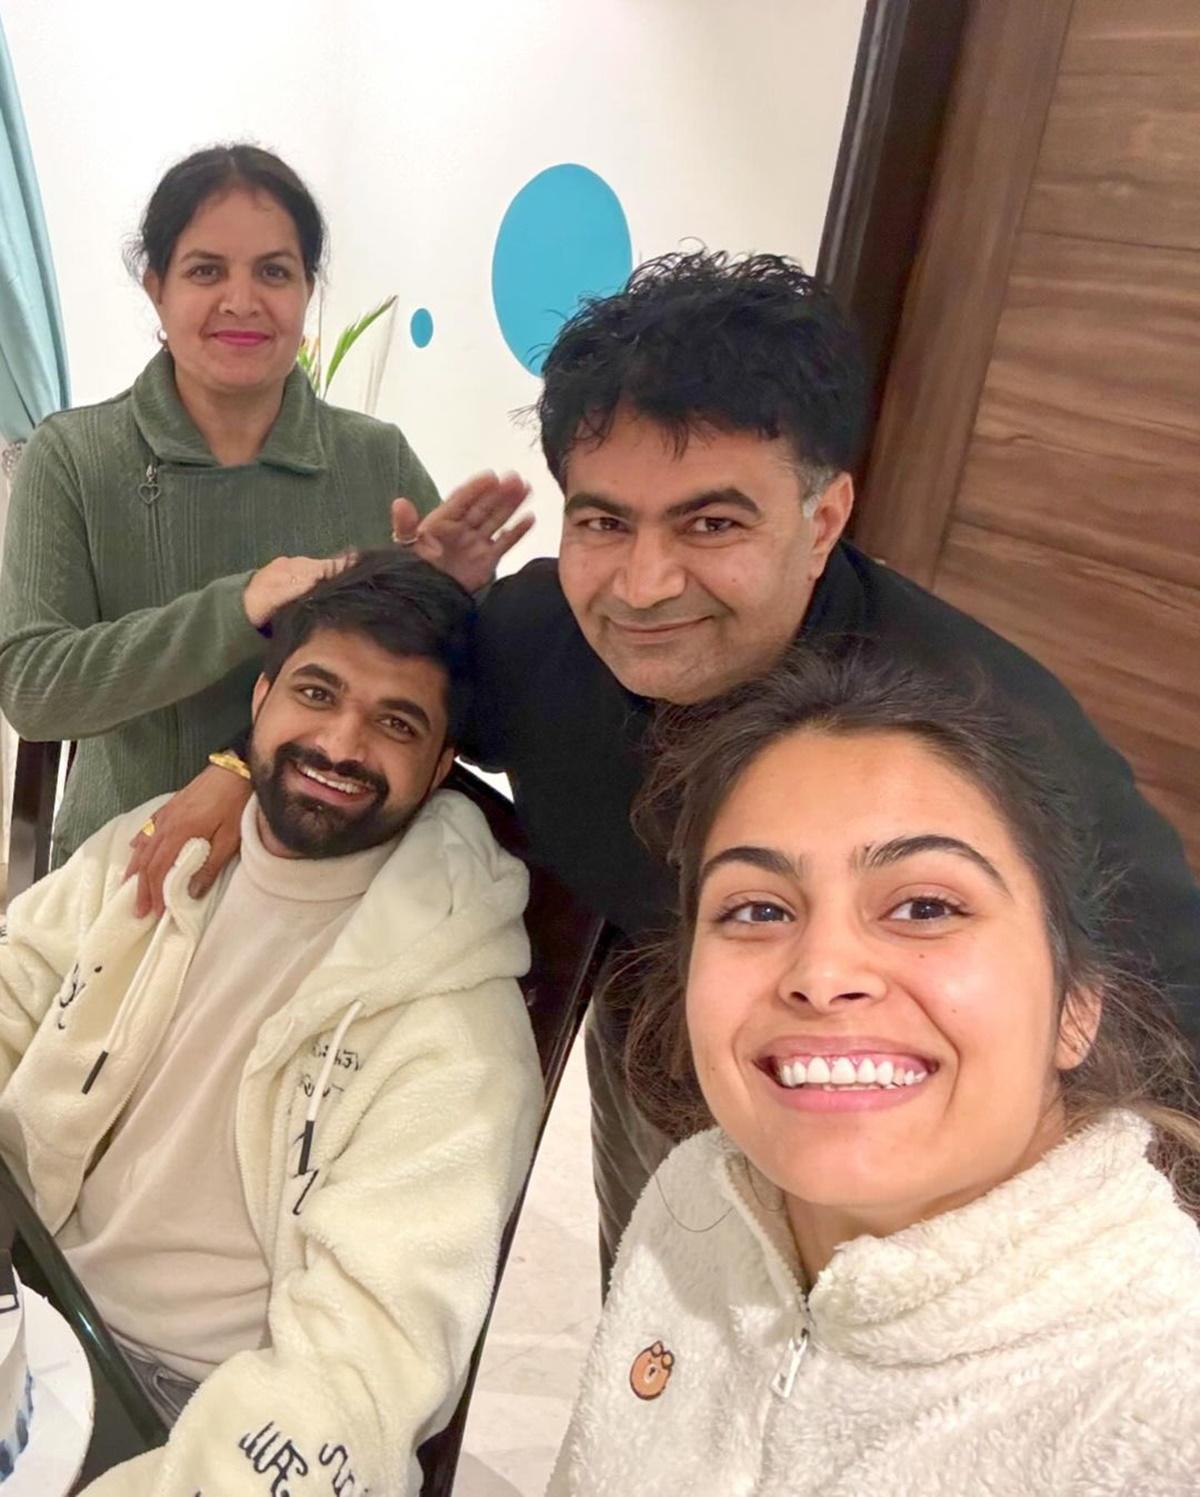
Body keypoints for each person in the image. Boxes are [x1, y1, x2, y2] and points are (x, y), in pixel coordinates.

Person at [132, 250, 1200, 1281]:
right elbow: (370, 693)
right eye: (604, 522)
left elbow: (1170, 1011)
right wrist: (236, 761)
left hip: (902, 1126)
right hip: (658, 1034)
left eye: (713, 523)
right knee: (658, 1322)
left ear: (823, 518)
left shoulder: (976, 734)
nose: (643, 586)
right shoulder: (534, 635)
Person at [549, 648, 1200, 1496]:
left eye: (925, 906)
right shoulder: (695, 1195)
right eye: (757, 908)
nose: (821, 973)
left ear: (1075, 1002)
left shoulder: (1161, 1407)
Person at [0, 550, 542, 1496]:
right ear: (258, 701)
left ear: (442, 763)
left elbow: (361, 1363)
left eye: (396, 722)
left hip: (192, 1407)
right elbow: (15, 988)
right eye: (317, 693)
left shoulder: (460, 1031)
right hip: (29, 1275)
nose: (340, 743)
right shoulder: (165, 842)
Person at [0, 142, 448, 865]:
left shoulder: (376, 458)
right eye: (206, 270)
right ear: (157, 289)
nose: (242, 301)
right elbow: (35, 688)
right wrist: (240, 606)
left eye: (274, 271)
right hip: (128, 862)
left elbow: (436, 681)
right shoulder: (76, 457)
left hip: (336, 865)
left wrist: (469, 585)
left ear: (308, 290)